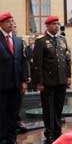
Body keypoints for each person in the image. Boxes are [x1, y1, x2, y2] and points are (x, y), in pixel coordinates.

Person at [32, 15, 71, 144]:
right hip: (48, 81)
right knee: (49, 108)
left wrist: (68, 76)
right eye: (53, 24)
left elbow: (67, 60)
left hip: (61, 80)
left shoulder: (62, 40)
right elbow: (37, 63)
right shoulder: (41, 41)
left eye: (57, 24)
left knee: (59, 106)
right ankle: (49, 132)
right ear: (47, 26)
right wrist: (39, 81)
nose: (56, 26)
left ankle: (57, 130)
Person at [0, 12, 27, 144]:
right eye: (7, 21)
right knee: (2, 114)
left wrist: (24, 80)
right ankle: (2, 138)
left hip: (16, 84)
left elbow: (22, 61)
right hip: (2, 84)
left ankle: (12, 138)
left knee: (13, 113)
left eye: (12, 21)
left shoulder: (17, 40)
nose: (11, 23)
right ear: (1, 24)